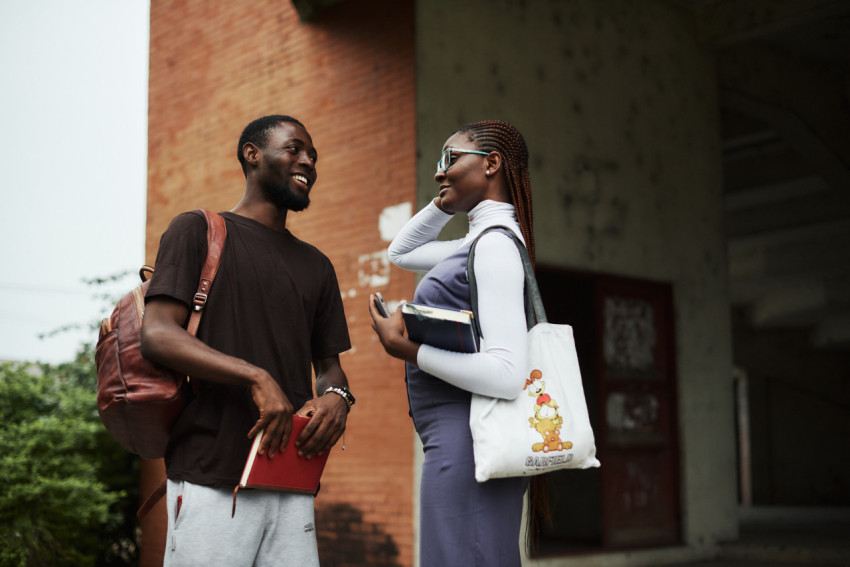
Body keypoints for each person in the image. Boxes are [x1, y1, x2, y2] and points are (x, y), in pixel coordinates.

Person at [140, 115, 355, 567]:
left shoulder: (317, 266)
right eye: (294, 149)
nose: (308, 161)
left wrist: (337, 396)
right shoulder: (197, 229)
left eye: (313, 155)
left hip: (289, 479)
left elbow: (330, 367)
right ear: (251, 154)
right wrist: (255, 376)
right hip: (210, 475)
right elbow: (158, 334)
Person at [368, 120, 535, 566]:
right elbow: (400, 252)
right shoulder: (479, 240)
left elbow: (507, 374)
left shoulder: (495, 246)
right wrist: (446, 201)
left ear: (492, 164)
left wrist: (408, 350)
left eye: (451, 159)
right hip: (462, 445)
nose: (439, 172)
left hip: (469, 445)